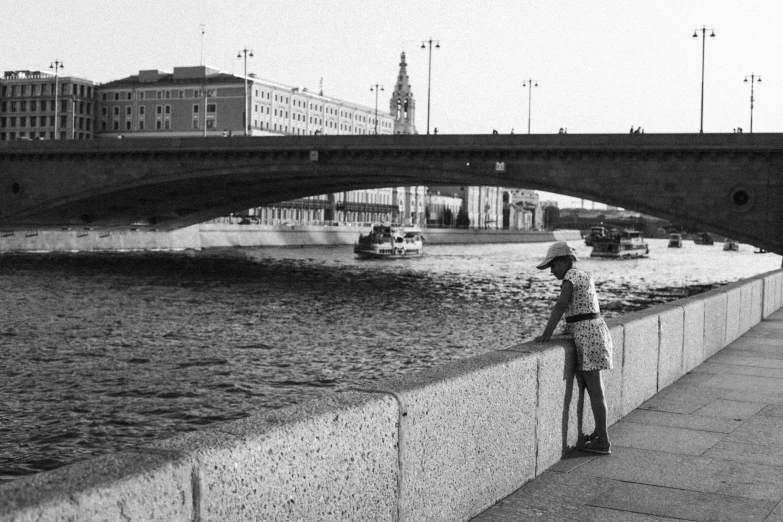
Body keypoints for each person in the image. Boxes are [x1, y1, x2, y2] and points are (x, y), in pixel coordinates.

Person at [534, 241, 613, 455]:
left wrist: (547, 334)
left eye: (553, 266)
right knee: (597, 390)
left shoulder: (569, 279)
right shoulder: (583, 275)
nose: (551, 271)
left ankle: (603, 442)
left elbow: (560, 306)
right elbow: (579, 311)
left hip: (588, 338)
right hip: (595, 333)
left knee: (595, 391)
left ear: (564, 262)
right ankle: (599, 433)